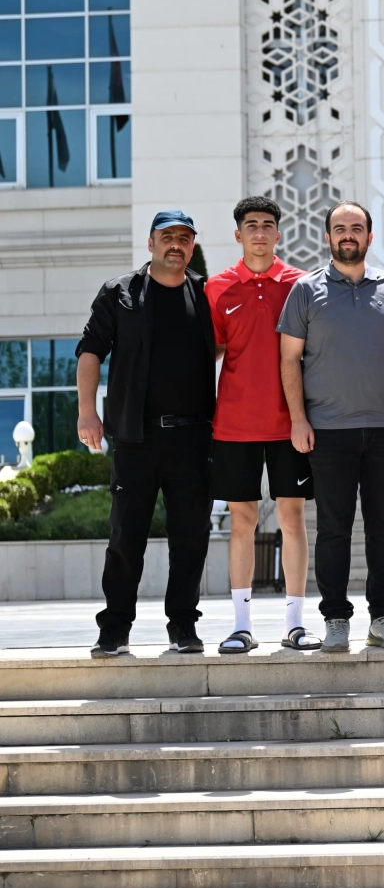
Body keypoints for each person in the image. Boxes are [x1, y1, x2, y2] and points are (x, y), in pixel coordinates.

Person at [77, 211, 216, 658]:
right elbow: (90, 351)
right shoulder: (120, 293)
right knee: (125, 537)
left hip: (194, 439)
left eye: (184, 238)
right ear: (151, 242)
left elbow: (227, 348)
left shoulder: (206, 294)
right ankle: (115, 629)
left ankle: (183, 626)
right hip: (135, 439)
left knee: (191, 538)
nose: (176, 244)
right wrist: (87, 413)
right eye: (167, 236)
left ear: (192, 246)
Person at [278, 201, 384, 652]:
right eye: (340, 228)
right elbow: (289, 358)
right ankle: (335, 618)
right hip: (328, 430)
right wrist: (298, 419)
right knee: (333, 530)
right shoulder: (305, 290)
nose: (348, 234)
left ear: (369, 237)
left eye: (356, 228)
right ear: (328, 237)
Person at [206, 197, 314, 653]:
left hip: (290, 423)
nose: (259, 232)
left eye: (267, 225)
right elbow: (208, 353)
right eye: (251, 225)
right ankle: (241, 625)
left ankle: (295, 624)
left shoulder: (301, 285)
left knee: (292, 517)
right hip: (234, 424)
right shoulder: (217, 288)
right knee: (243, 520)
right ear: (238, 235)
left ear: (278, 234)